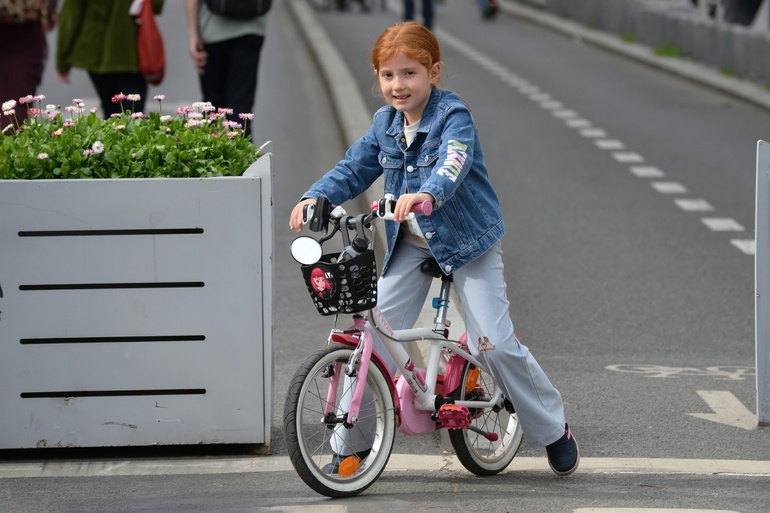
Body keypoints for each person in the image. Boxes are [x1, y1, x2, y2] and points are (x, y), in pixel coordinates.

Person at [289, 21, 579, 477]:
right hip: (412, 245)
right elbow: (354, 167)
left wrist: (428, 194)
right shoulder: (385, 125)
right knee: (376, 336)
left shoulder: (452, 116)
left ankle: (553, 430)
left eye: (409, 74)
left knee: (495, 345)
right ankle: (352, 445)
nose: (397, 85)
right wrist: (316, 196)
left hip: (468, 243)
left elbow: (454, 161)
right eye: (387, 75)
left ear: (433, 73)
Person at [55, 0, 165, 118]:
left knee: (110, 110)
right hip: (132, 50)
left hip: (96, 50)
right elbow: (156, 5)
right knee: (133, 115)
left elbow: (71, 16)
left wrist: (62, 60)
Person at [184, 0, 268, 141]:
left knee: (213, 111)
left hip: (213, 29)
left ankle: (213, 158)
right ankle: (243, 159)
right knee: (241, 111)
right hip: (253, 28)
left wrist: (192, 34)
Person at [0, 0, 58, 130]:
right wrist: (49, 14)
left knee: (16, 101)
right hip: (25, 21)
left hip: (24, 28)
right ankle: (11, 145)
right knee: (17, 97)